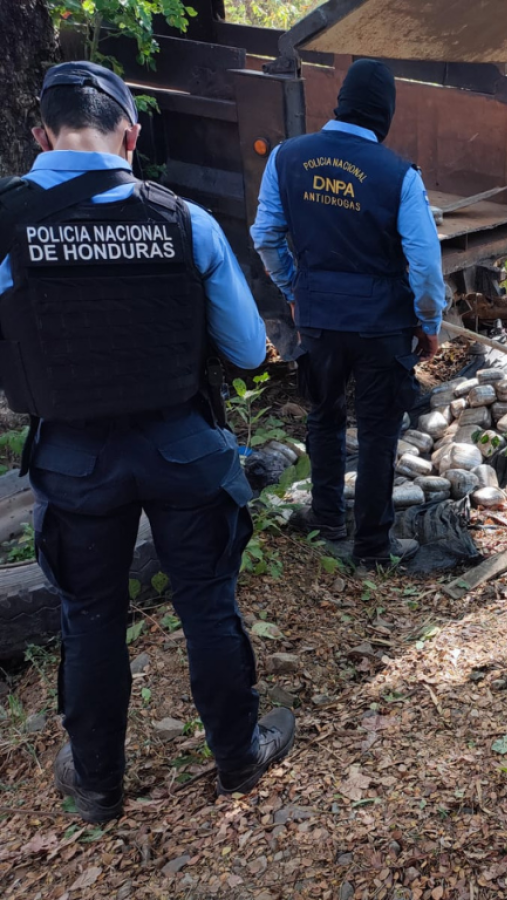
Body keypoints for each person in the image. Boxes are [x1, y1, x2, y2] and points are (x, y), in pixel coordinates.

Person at [0, 61, 293, 824]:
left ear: (41, 134)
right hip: (183, 451)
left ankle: (97, 786)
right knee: (207, 604)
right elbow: (243, 348)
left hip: (74, 461)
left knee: (89, 620)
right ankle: (238, 756)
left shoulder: (6, 224)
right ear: (131, 135)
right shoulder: (182, 220)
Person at [252, 59, 445, 567]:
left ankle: (329, 518)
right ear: (384, 113)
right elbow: (424, 263)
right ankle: (373, 551)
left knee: (324, 415)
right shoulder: (399, 175)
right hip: (382, 326)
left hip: (318, 321)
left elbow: (265, 235)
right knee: (380, 432)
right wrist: (428, 324)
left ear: (340, 103)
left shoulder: (287, 158)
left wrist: (295, 287)